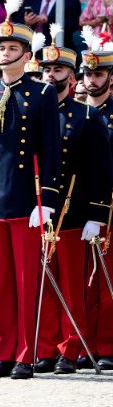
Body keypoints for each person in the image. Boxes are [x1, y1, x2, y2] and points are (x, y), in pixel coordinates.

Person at [0, 4, 60, 380]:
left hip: (25, 199)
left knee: (24, 283)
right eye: (0, 48)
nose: (3, 53)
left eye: (10, 48)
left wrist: (48, 199)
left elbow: (51, 151)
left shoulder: (41, 94)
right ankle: (4, 352)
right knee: (1, 283)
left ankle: (25, 353)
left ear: (26, 54)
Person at [34, 36, 110, 375]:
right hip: (37, 213)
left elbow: (100, 171)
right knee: (43, 286)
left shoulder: (86, 117)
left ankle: (70, 348)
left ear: (71, 77)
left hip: (73, 211)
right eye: (47, 68)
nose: (52, 74)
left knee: (72, 288)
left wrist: (97, 214)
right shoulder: (32, 110)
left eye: (59, 68)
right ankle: (46, 348)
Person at [80, 43, 113, 371]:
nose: (92, 80)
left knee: (106, 280)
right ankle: (80, 342)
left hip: (110, 207)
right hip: (76, 207)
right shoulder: (76, 113)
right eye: (88, 73)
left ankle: (106, 345)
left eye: (98, 73)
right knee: (80, 282)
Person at [14, 0, 81, 48]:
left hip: (57, 47)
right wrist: (27, 22)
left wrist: (48, 19)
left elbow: (72, 25)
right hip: (31, 46)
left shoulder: (71, 3)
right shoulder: (30, 0)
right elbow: (17, 21)